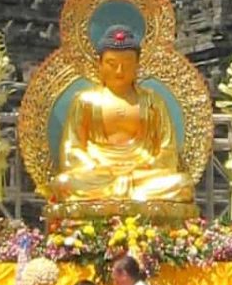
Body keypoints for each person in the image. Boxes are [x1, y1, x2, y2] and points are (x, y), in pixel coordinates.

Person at [50, 25, 193, 204]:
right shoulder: (85, 101)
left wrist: (139, 169)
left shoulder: (153, 102)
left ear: (137, 65)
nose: (119, 71)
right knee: (64, 183)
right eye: (112, 64)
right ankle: (126, 195)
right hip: (99, 174)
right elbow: (72, 149)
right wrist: (100, 168)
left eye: (126, 64)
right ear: (99, 64)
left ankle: (121, 194)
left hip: (142, 175)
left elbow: (168, 150)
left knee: (182, 184)